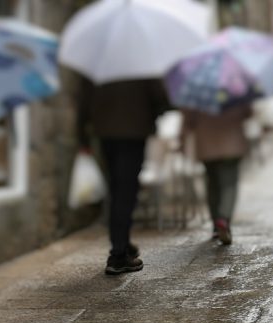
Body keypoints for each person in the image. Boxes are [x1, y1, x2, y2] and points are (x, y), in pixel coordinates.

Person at [77, 77, 169, 275]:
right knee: (126, 190)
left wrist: (82, 136)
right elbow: (161, 98)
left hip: (105, 132)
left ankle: (122, 242)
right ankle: (118, 254)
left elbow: (84, 101)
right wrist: (153, 113)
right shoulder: (141, 63)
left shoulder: (99, 64)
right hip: (134, 130)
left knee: (117, 187)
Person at [181, 105, 252, 245]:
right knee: (229, 184)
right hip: (232, 142)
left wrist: (181, 140)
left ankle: (215, 225)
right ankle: (223, 219)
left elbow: (189, 119)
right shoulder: (235, 86)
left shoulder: (197, 90)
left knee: (212, 183)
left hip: (206, 143)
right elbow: (248, 112)